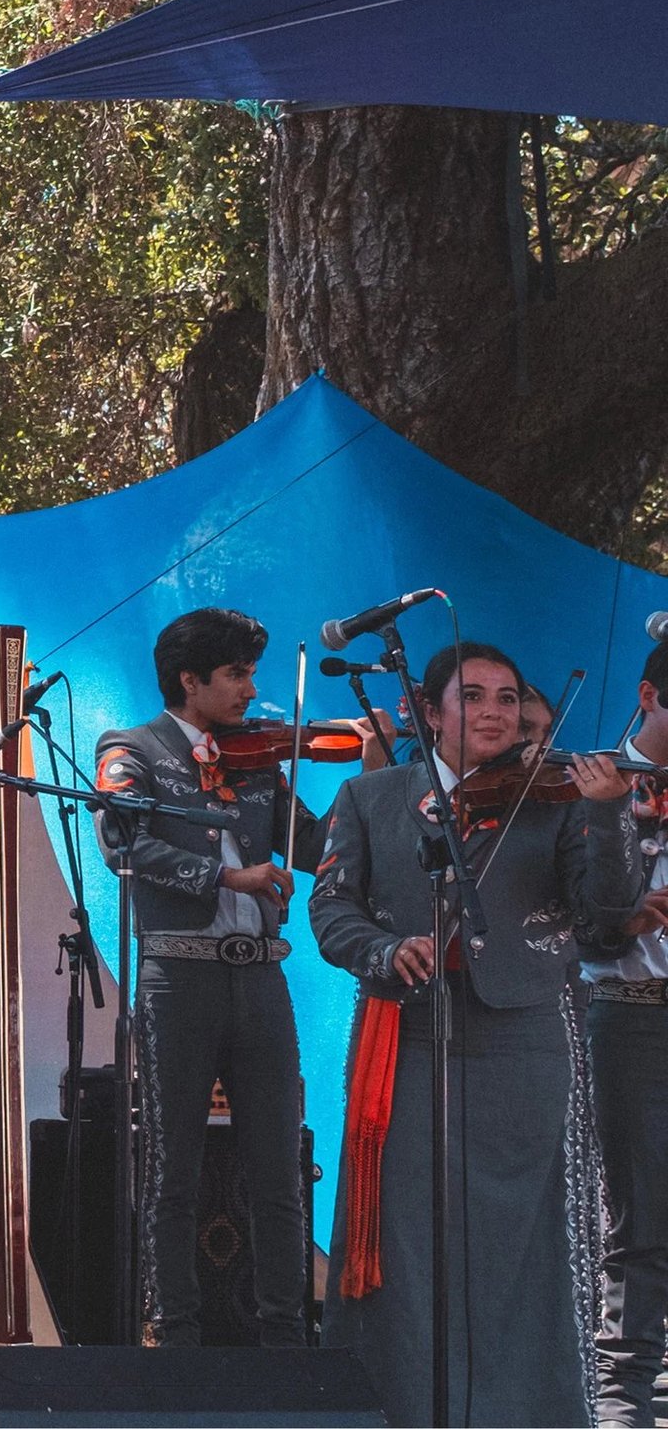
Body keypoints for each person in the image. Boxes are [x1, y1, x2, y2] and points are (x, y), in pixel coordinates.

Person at [314, 640, 642, 1426]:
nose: (494, 712)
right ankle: (400, 1408)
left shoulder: (557, 799)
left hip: (521, 1043)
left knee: (517, 1245)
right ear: (430, 713)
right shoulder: (371, 797)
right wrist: (386, 950)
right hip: (408, 1037)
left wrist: (607, 814)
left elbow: (605, 919)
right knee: (404, 1242)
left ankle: (524, 1413)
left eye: (506, 697)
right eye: (474, 696)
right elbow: (330, 912)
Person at [93, 607, 343, 1348]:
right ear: (189, 679)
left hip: (262, 977)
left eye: (252, 672)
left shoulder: (260, 758)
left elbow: (318, 846)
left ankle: (286, 1336)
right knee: (173, 1163)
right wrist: (230, 875)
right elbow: (123, 843)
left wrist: (376, 775)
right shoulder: (130, 747)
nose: (250, 689)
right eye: (236, 674)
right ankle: (174, 1334)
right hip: (179, 975)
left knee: (279, 1166)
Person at [580, 641, 668, 1425]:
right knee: (639, 1212)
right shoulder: (590, 784)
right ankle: (623, 1398)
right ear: (648, 695)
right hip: (635, 1012)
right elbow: (592, 929)